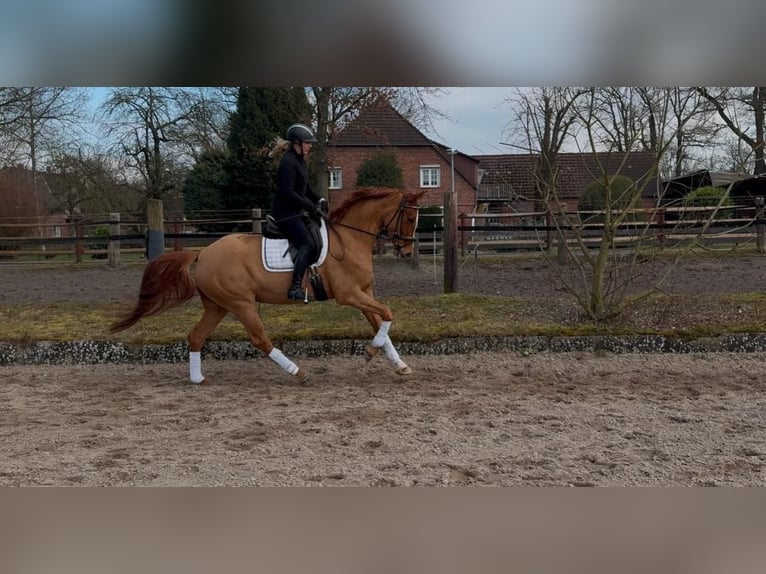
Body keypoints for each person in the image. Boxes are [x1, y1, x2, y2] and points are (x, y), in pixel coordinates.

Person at [270, 123, 328, 301]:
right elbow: (288, 193)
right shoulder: (288, 162)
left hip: (295, 210)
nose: (310, 146)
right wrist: (310, 206)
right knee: (307, 243)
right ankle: (295, 288)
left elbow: (306, 187)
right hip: (285, 213)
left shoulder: (300, 161)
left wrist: (319, 199)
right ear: (297, 143)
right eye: (307, 143)